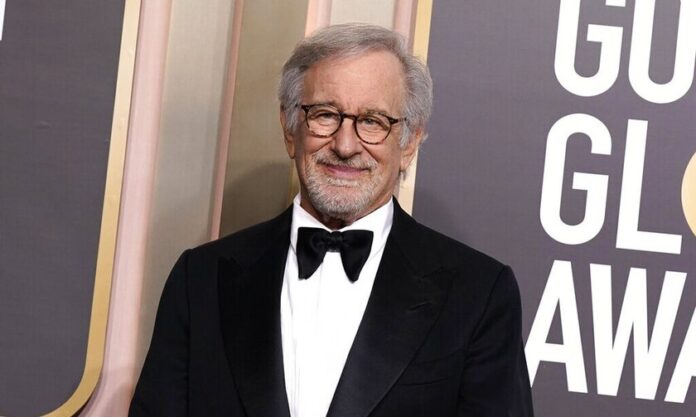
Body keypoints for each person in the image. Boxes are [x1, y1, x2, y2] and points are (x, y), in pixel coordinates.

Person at [130, 23, 534, 417]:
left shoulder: (478, 296)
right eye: (325, 115)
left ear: (409, 142)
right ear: (290, 128)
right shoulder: (199, 280)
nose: (344, 145)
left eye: (373, 121)